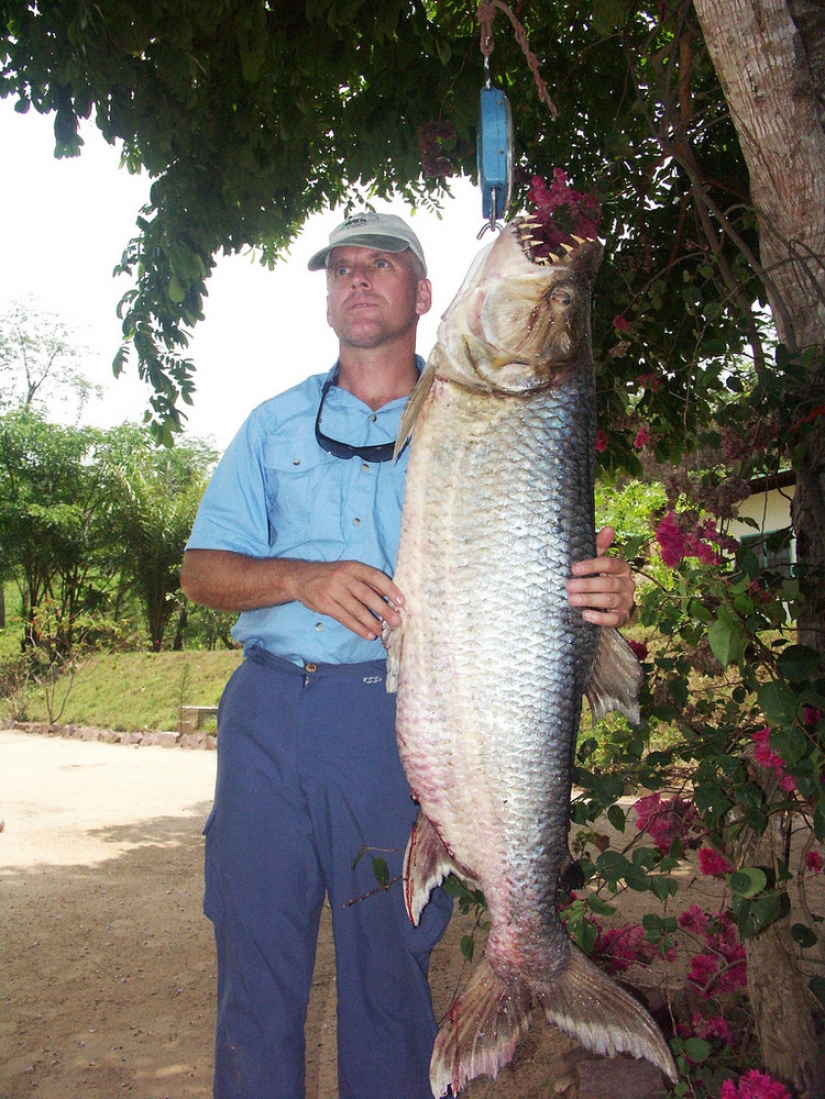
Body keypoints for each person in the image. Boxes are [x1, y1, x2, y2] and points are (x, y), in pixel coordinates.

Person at [180, 210, 637, 1099]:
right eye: (340, 267)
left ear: (424, 294)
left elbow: (532, 589)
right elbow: (201, 571)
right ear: (325, 297)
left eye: (380, 264)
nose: (356, 279)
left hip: (394, 726)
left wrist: (601, 600)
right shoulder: (271, 427)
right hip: (267, 717)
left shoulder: (478, 413)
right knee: (254, 968)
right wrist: (299, 579)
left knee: (387, 979)